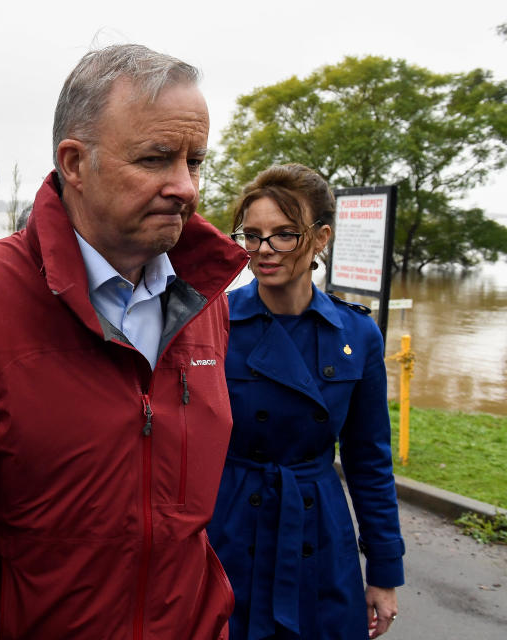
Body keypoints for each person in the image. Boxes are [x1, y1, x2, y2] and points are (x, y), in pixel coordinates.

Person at [0, 44, 249, 639]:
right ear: (74, 161)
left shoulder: (206, 301)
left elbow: (183, 528)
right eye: (155, 159)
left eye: (195, 162)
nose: (185, 187)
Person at [207, 163, 405, 639]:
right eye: (251, 236)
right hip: (231, 526)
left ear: (320, 238)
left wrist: (383, 570)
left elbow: (368, 459)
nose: (263, 251)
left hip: (319, 528)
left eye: (283, 235)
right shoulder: (214, 321)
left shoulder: (357, 333)